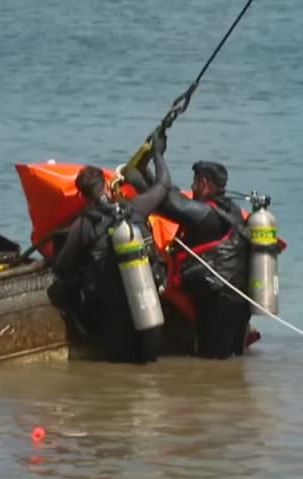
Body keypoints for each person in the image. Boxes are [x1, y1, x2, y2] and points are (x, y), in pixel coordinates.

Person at [47, 136, 173, 363]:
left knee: (121, 370)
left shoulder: (84, 225)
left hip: (114, 312)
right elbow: (163, 187)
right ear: (106, 185)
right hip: (148, 301)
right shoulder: (135, 207)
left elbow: (63, 266)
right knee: (149, 369)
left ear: (83, 197)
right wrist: (158, 154)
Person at [148, 150, 253, 359]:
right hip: (240, 300)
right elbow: (171, 197)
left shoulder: (205, 214)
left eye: (194, 182)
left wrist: (157, 157)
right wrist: (145, 172)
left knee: (213, 362)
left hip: (219, 302)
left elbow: (168, 203)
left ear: (204, 183)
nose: (193, 187)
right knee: (231, 361)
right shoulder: (232, 210)